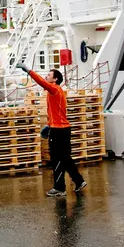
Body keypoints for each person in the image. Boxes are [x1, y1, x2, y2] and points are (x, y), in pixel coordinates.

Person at [17, 63, 87, 197]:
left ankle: (60, 188)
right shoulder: (58, 92)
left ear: (55, 79)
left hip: (58, 130)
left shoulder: (54, 89)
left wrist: (28, 71)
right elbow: (57, 112)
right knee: (65, 157)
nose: (46, 76)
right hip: (62, 128)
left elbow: (41, 82)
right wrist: (49, 124)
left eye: (49, 75)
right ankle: (78, 181)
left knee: (56, 158)